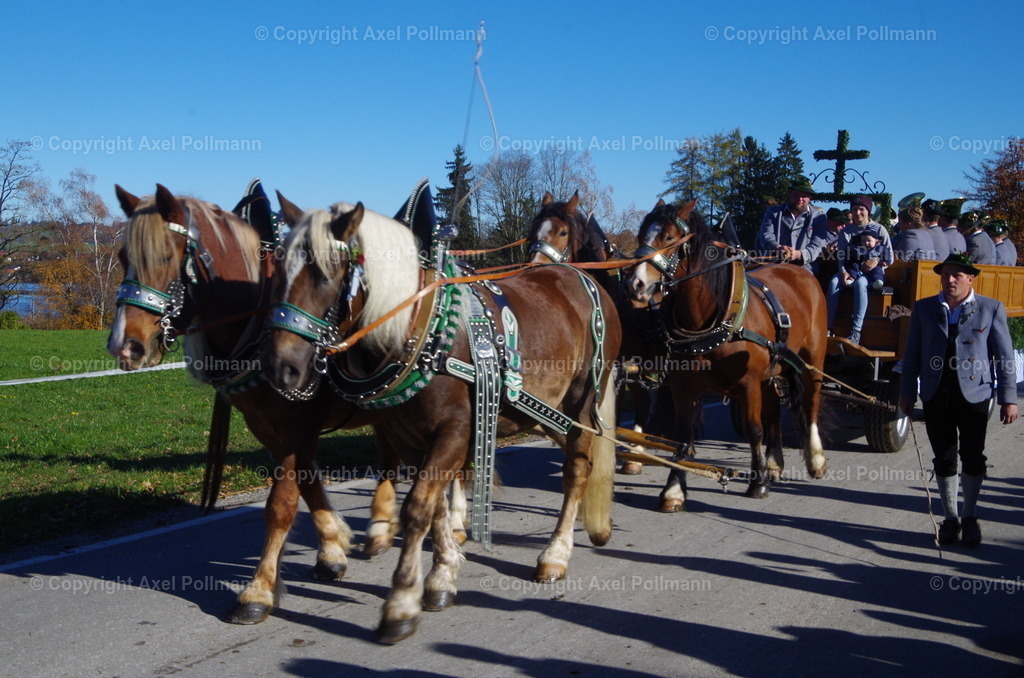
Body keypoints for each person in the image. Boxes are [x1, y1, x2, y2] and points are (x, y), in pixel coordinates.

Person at [898, 252, 1019, 546]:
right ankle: (950, 518)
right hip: (936, 394)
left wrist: (1008, 398)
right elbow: (911, 354)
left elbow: (1004, 357)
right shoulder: (925, 308)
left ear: (970, 279)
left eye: (957, 275)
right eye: (945, 275)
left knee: (973, 456)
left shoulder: (990, 308)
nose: (950, 280)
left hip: (974, 395)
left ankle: (970, 515)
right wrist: (906, 393)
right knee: (944, 457)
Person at [825, 196, 894, 344]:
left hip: (871, 274)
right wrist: (843, 271)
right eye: (855, 209)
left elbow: (890, 257)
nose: (858, 213)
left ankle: (856, 330)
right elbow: (842, 256)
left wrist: (876, 261)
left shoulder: (880, 229)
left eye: (861, 209)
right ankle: (828, 327)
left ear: (868, 211)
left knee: (860, 284)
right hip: (850, 269)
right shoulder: (846, 232)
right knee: (833, 282)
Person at [756, 176, 828, 272]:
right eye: (796, 194)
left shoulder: (819, 217)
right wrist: (777, 248)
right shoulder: (773, 212)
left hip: (804, 268)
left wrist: (798, 254)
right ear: (789, 194)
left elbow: (818, 245)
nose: (800, 198)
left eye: (804, 196)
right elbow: (766, 235)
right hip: (772, 264)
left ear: (810, 198)